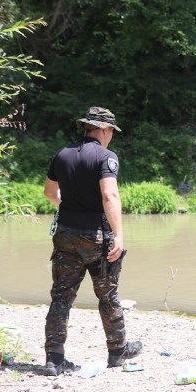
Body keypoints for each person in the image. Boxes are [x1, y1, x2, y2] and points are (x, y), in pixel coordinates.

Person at [42, 107, 142, 376]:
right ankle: (117, 352)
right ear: (106, 130)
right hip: (97, 237)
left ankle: (54, 359)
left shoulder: (62, 155)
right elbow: (110, 196)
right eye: (112, 133)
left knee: (61, 297)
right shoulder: (106, 157)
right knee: (107, 295)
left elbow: (50, 192)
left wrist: (70, 207)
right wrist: (118, 235)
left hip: (65, 235)